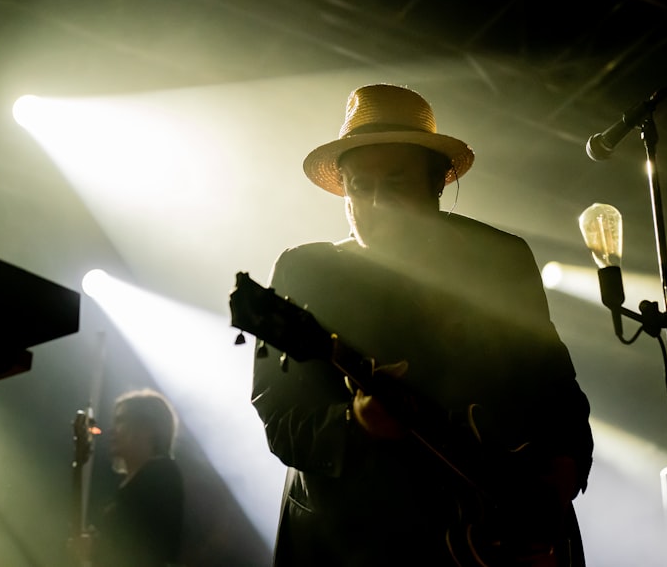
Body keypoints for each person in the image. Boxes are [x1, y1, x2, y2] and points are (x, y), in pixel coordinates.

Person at [250, 83, 594, 566]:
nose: (375, 203)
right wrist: (355, 423)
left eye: (395, 182)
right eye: (358, 186)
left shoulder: (499, 258)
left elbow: (555, 386)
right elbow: (282, 418)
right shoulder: (305, 273)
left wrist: (562, 468)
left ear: (436, 184)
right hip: (355, 546)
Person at [80, 388, 185, 567]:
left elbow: (141, 549)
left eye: (121, 420)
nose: (112, 430)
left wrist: (95, 548)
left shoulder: (160, 477)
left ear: (148, 428)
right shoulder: (150, 477)